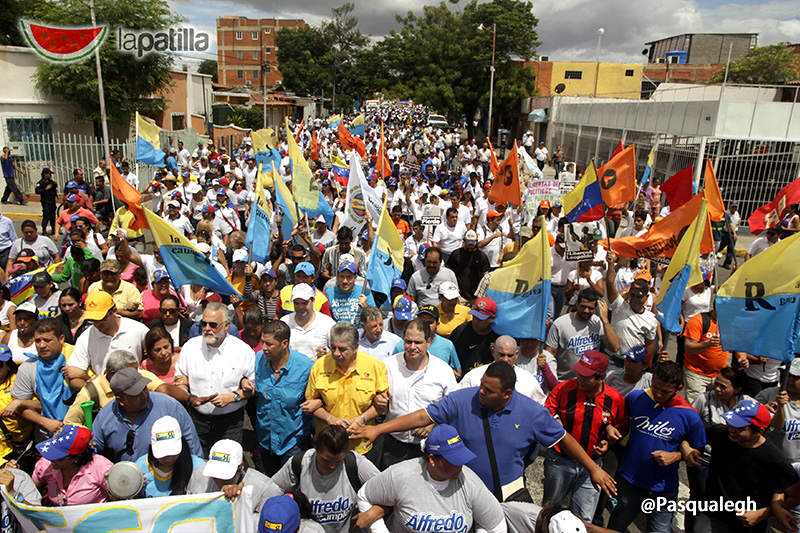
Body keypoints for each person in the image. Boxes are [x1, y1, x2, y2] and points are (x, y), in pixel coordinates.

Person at [352, 361, 617, 503]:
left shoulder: (531, 412)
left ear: (507, 394)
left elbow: (563, 438)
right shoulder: (462, 399)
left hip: (509, 493)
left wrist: (593, 468)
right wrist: (378, 430)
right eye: (481, 386)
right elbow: (423, 416)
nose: (481, 393)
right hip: (463, 491)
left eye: (488, 391)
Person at [607, 362, 706, 532]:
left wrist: (676, 456)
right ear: (652, 379)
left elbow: (698, 452)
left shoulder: (690, 416)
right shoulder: (635, 398)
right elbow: (620, 423)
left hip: (663, 488)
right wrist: (611, 428)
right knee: (616, 526)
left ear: (679, 388)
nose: (658, 394)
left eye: (665, 391)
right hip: (630, 480)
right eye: (655, 387)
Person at [355, 424, 508, 532]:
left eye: (462, 459)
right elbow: (364, 496)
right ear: (433, 459)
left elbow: (497, 526)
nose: (460, 467)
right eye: (453, 461)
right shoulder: (401, 475)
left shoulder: (469, 481)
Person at [692, 399, 798, 532]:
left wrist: (763, 514)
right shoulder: (720, 434)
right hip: (712, 514)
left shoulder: (775, 459)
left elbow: (795, 495)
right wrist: (686, 448)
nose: (732, 429)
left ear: (759, 430)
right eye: (730, 423)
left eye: (740, 428)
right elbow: (689, 434)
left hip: (747, 524)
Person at [543, 351, 625, 521]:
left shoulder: (614, 399)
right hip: (560, 461)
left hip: (592, 465)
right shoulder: (563, 389)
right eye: (579, 372)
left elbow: (621, 426)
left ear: (600, 378)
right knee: (549, 512)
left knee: (583, 518)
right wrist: (555, 419)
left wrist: (607, 442)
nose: (579, 378)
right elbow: (548, 410)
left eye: (586, 376)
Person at [175, 301, 255, 454]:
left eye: (213, 325)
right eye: (203, 324)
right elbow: (180, 378)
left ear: (226, 326)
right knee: (198, 465)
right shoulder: (190, 347)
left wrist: (232, 397)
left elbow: (253, 388)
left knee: (228, 467)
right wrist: (188, 397)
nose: (207, 329)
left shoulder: (243, 351)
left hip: (230, 424)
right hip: (197, 420)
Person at [380, 319, 456, 469]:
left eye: (418, 342)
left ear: (428, 342)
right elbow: (377, 397)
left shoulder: (443, 370)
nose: (412, 347)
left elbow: (454, 407)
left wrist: (434, 424)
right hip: (393, 445)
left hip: (430, 447)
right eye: (408, 341)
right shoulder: (388, 365)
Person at [303, 322, 388, 456]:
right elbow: (311, 404)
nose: (336, 354)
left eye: (342, 349)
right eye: (333, 348)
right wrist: (330, 419)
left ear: (356, 347)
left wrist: (361, 419)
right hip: (328, 445)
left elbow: (381, 405)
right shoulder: (319, 367)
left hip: (361, 444)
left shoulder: (375, 367)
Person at [273, 425, 380, 532]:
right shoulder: (299, 463)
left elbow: (388, 490)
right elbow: (271, 491)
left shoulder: (355, 464)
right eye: (325, 460)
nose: (332, 466)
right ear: (316, 450)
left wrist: (374, 512)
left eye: (338, 461)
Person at [92, 367, 202, 462]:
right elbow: (95, 454)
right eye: (136, 394)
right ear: (120, 399)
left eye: (144, 388)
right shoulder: (104, 418)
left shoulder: (170, 407)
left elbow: (193, 449)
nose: (144, 395)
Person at [254, 320, 314, 476]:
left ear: (284, 343)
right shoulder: (258, 359)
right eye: (262, 342)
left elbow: (319, 397)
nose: (264, 348)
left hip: (293, 442)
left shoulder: (306, 367)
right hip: (265, 440)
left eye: (269, 344)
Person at [63, 349, 183, 426]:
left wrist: (190, 398)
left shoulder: (139, 375)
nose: (136, 376)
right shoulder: (90, 393)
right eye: (130, 372)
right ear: (113, 374)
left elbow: (163, 389)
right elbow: (69, 423)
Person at [8, 318, 75, 437]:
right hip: (46, 434)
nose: (42, 345)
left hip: (79, 428)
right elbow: (18, 407)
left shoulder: (76, 359)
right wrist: (44, 422)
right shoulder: (28, 367)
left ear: (61, 339)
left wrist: (81, 375)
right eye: (38, 341)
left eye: (47, 340)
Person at [66, 292, 149, 387]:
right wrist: (96, 393)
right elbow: (74, 376)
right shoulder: (85, 338)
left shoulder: (138, 329)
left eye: (102, 319)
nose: (97, 324)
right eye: (93, 320)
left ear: (114, 311)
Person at [187, 439, 282, 520]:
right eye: (215, 475)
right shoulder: (198, 475)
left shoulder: (266, 490)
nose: (219, 480)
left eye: (225, 476)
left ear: (240, 468)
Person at [545, 289, 619, 380]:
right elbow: (549, 353)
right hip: (564, 380)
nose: (586, 311)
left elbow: (614, 347)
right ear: (577, 304)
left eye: (591, 308)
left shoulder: (597, 322)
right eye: (583, 306)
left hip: (589, 380)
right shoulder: (560, 324)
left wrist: (605, 321)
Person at [33, 425, 113, 506]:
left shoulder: (102, 467)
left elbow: (119, 501)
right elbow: (31, 490)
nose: (52, 460)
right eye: (51, 452)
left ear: (76, 458)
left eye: (59, 458)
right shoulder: (44, 465)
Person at [604, 252, 658, 366]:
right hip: (612, 361)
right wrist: (611, 264)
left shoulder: (651, 319)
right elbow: (609, 283)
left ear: (646, 297)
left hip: (633, 365)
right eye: (632, 295)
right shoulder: (619, 305)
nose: (635, 299)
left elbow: (649, 344)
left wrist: (647, 364)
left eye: (639, 296)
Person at [459, 335, 546, 404]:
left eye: (509, 356)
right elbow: (457, 399)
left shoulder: (528, 380)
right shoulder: (474, 376)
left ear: (516, 354)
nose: (505, 359)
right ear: (493, 351)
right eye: (501, 355)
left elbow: (542, 405)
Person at [135, 415, 205, 497]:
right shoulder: (140, 467)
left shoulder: (198, 467)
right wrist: (132, 489)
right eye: (162, 453)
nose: (168, 458)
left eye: (172, 452)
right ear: (151, 445)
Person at [681, 308, 730, 403]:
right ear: (715, 308)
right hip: (697, 374)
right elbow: (688, 348)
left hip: (718, 376)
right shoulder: (698, 321)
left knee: (715, 408)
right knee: (695, 407)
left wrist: (742, 357)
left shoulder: (729, 323)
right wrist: (708, 344)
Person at [281, 284, 336, 361]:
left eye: (304, 303)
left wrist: (326, 355)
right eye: (297, 303)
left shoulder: (327, 323)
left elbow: (337, 351)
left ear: (313, 301)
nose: (300, 307)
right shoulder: (284, 322)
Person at [0, 344, 32, 465]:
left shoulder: (19, 382)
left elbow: (40, 406)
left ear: (8, 365)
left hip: (20, 448)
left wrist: (20, 402)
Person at [450, 297, 500, 373]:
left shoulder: (498, 336)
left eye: (480, 319)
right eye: (474, 316)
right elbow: (450, 355)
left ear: (492, 318)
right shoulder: (460, 332)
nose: (476, 321)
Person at [446, 230, 490, 301]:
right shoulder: (456, 254)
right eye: (468, 243)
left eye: (472, 243)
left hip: (476, 295)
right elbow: (449, 272)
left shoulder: (482, 256)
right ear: (464, 241)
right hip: (459, 295)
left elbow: (486, 275)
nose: (470, 246)